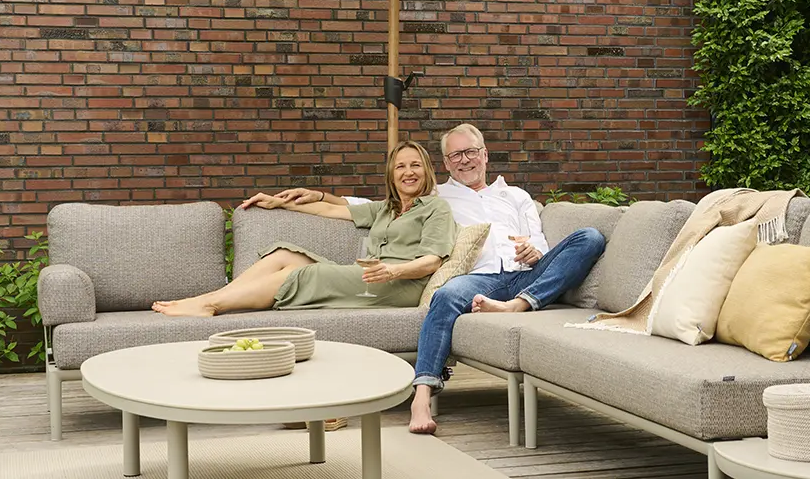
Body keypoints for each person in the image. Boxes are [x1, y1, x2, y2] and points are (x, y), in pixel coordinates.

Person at [258, 124, 607, 435]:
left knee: (590, 236)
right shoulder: (437, 196)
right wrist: (314, 197)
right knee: (446, 296)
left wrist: (533, 250)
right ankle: (421, 395)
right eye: (455, 155)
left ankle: (518, 306)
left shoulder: (516, 197)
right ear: (445, 163)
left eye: (471, 152)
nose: (464, 160)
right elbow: (377, 204)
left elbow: (541, 242)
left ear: (485, 155)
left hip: (528, 275)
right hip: (480, 281)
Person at [151, 141, 455, 316]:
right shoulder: (385, 208)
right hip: (367, 278)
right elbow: (329, 209)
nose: (408, 172)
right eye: (401, 166)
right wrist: (279, 202)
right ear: (391, 174)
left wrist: (393, 271)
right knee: (285, 255)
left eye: (415, 165)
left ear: (426, 171)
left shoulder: (435, 208)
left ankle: (211, 305)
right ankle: (212, 296)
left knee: (301, 274)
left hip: (399, 285)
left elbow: (433, 261)